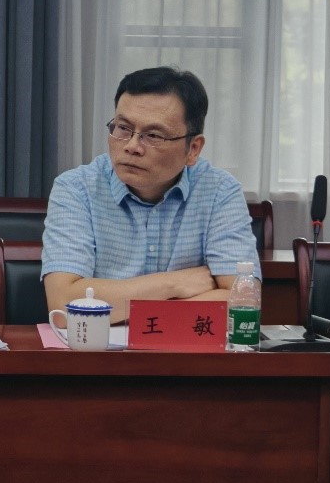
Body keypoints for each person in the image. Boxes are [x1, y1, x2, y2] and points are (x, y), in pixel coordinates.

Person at [42, 66, 258, 324]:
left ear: (193, 149)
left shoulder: (220, 191)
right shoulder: (76, 188)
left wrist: (122, 304)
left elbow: (242, 302)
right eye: (123, 128)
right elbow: (63, 307)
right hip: (101, 348)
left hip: (182, 349)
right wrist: (172, 284)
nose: (132, 146)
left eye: (153, 135)